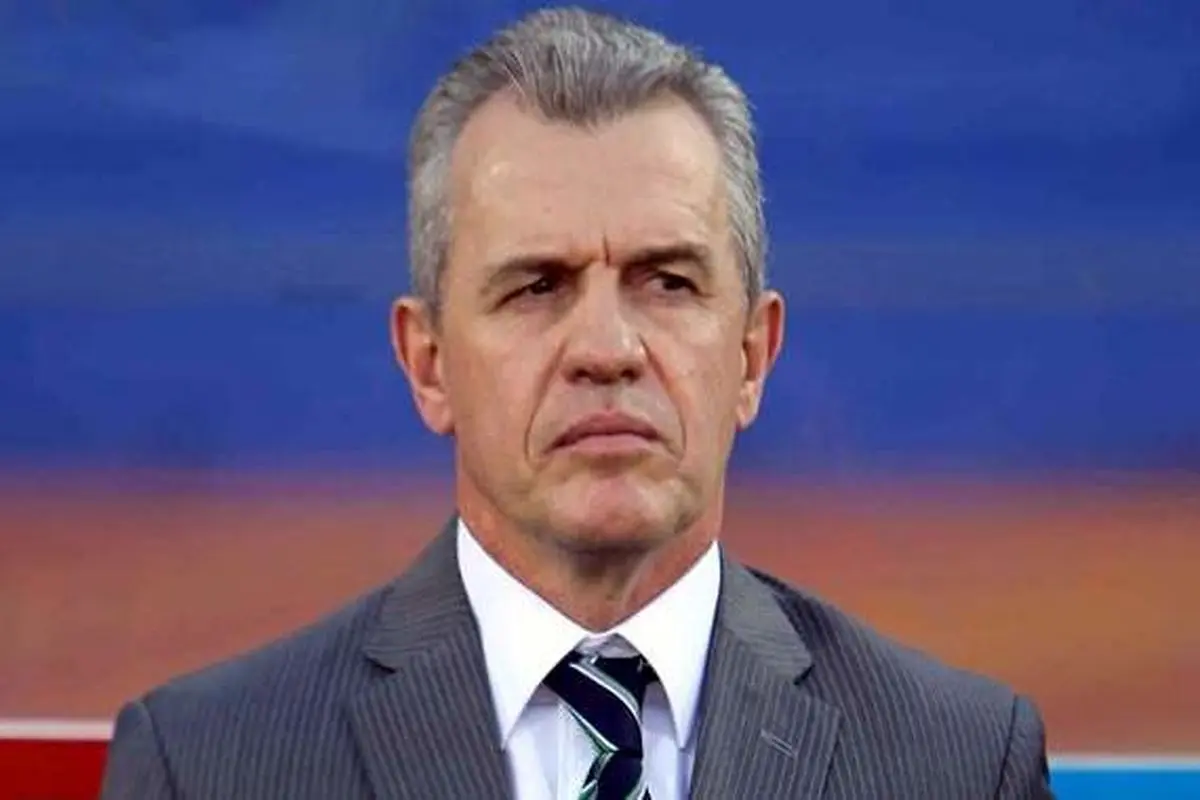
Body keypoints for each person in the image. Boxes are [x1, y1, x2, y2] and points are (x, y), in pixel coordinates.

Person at [101, 7, 1053, 799]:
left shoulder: (961, 765)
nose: (606, 350)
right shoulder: (208, 766)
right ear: (429, 364)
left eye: (668, 282)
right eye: (536, 287)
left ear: (752, 355)